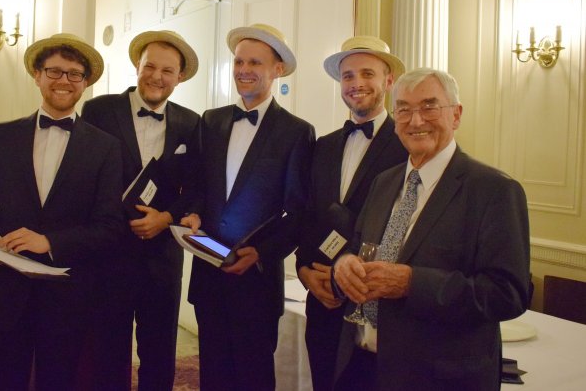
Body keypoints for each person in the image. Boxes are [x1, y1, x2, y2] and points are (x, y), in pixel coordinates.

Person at [332, 68, 531, 391]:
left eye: (429, 107)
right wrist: (344, 265)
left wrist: (412, 283)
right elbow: (357, 246)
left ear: (456, 115)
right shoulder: (385, 182)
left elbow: (507, 294)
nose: (416, 121)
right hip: (360, 365)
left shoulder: (493, 190)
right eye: (405, 110)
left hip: (438, 377)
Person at [0, 33, 125, 391]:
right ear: (37, 75)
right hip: (4, 294)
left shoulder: (106, 148)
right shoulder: (0, 136)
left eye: (74, 74)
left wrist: (49, 241)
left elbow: (111, 227)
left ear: (85, 83)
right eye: (54, 71)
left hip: (68, 298)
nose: (63, 81)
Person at [180, 23, 316, 391]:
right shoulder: (211, 120)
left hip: (256, 281)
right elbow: (198, 186)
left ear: (278, 69)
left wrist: (261, 254)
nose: (243, 69)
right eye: (239, 61)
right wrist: (192, 213)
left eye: (255, 62)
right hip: (209, 273)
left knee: (253, 376)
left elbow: (297, 210)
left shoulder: (296, 132)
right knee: (213, 373)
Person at [81, 30, 200, 390]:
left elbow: (197, 188)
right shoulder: (99, 109)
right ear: (137, 65)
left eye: (168, 70)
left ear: (179, 77)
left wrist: (165, 218)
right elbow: (84, 178)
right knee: (106, 348)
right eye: (150, 66)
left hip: (162, 257)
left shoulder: (192, 123)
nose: (157, 77)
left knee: (160, 349)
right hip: (108, 252)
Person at [295, 36, 408, 391]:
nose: (356, 83)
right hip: (324, 300)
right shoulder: (323, 146)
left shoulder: (407, 144)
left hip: (378, 302)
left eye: (367, 74)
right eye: (347, 76)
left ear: (388, 81)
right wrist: (302, 269)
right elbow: (308, 215)